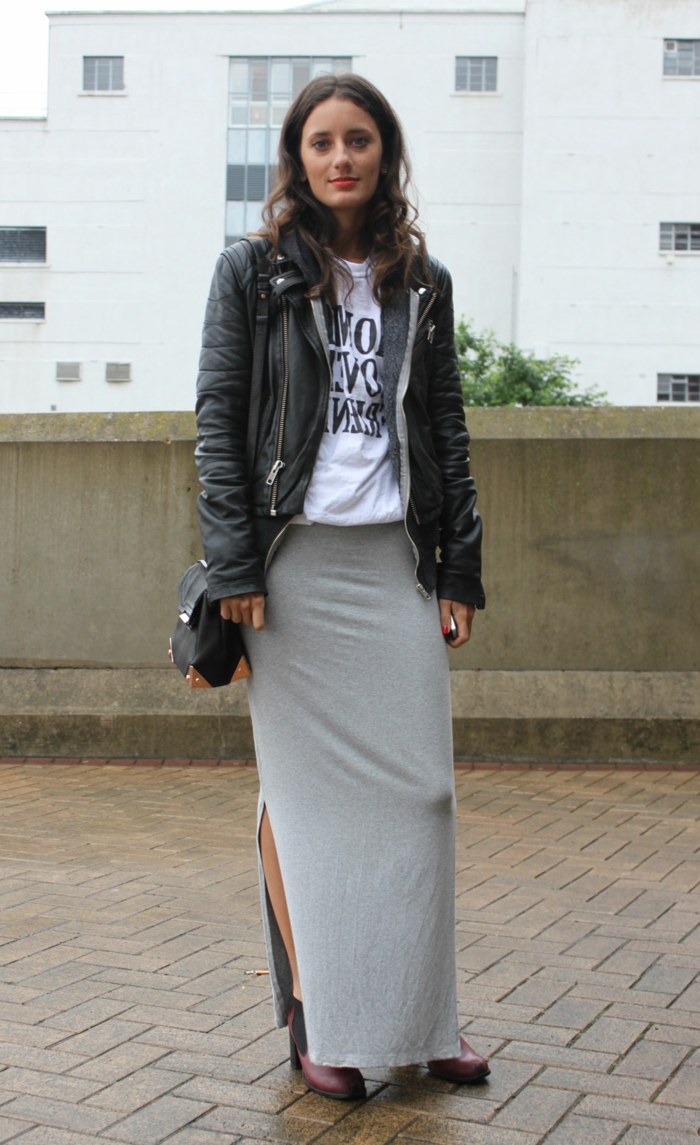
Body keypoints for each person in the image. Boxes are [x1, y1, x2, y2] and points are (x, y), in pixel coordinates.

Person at [195, 73, 488, 1100]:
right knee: (310, 807)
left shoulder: (423, 280)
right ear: (297, 157)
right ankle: (323, 1012)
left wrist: (459, 567)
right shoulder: (252, 272)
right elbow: (219, 420)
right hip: (290, 565)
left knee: (423, 799)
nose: (340, 157)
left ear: (384, 152)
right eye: (321, 141)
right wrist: (233, 565)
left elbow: (444, 427)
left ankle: (420, 1016)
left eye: (358, 139)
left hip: (393, 559)